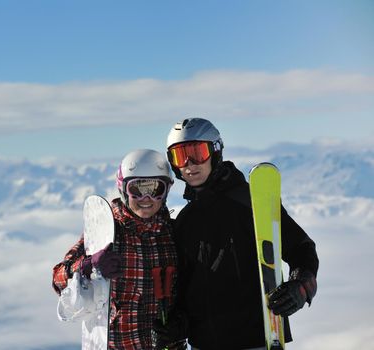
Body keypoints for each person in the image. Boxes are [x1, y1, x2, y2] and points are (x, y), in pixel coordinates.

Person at [162, 118, 319, 350]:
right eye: (179, 156)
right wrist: (178, 322)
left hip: (255, 339)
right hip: (203, 343)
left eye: (197, 152)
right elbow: (186, 283)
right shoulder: (185, 221)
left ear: (215, 152)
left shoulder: (250, 203)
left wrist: (301, 287)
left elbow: (302, 248)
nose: (189, 164)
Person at [52, 149, 187, 350]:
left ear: (167, 190)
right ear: (123, 188)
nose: (146, 198)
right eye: (137, 189)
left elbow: (191, 289)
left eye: (155, 188)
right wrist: (88, 266)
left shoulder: (172, 233)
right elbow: (58, 279)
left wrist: (182, 324)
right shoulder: (107, 233)